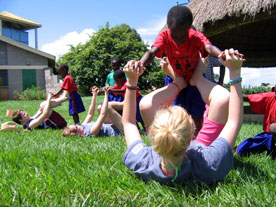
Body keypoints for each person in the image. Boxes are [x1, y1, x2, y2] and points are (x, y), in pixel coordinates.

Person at [122, 48, 244, 184]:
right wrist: (235, 72)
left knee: (146, 104)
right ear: (193, 134)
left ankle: (178, 81)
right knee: (223, 99)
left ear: (152, 135)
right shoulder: (209, 163)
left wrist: (131, 82)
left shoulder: (142, 163)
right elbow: (234, 121)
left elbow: (128, 123)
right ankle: (196, 78)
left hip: (174, 146)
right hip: (201, 147)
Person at [137, 5, 222, 133]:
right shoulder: (164, 36)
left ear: (189, 29)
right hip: (176, 80)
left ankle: (196, 144)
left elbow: (209, 48)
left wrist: (222, 55)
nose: (178, 40)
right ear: (168, 27)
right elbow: (152, 53)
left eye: (183, 36)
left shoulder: (195, 36)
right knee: (176, 117)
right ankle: (178, 145)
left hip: (194, 81)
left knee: (197, 118)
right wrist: (140, 63)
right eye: (174, 35)